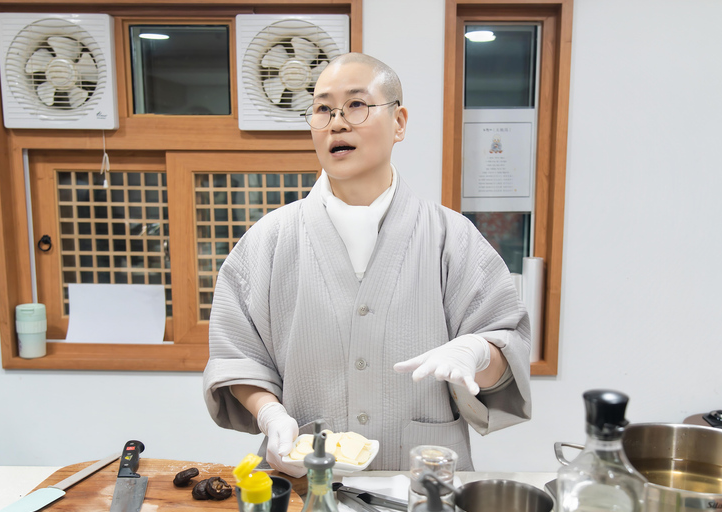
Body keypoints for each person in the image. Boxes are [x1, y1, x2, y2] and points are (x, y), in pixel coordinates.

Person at [203, 52, 531, 477]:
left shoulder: (453, 238)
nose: (337, 122)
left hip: (423, 483)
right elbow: (238, 356)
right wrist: (270, 414)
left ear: (399, 122)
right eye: (323, 109)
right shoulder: (267, 241)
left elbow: (506, 351)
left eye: (356, 105)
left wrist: (478, 354)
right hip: (306, 483)